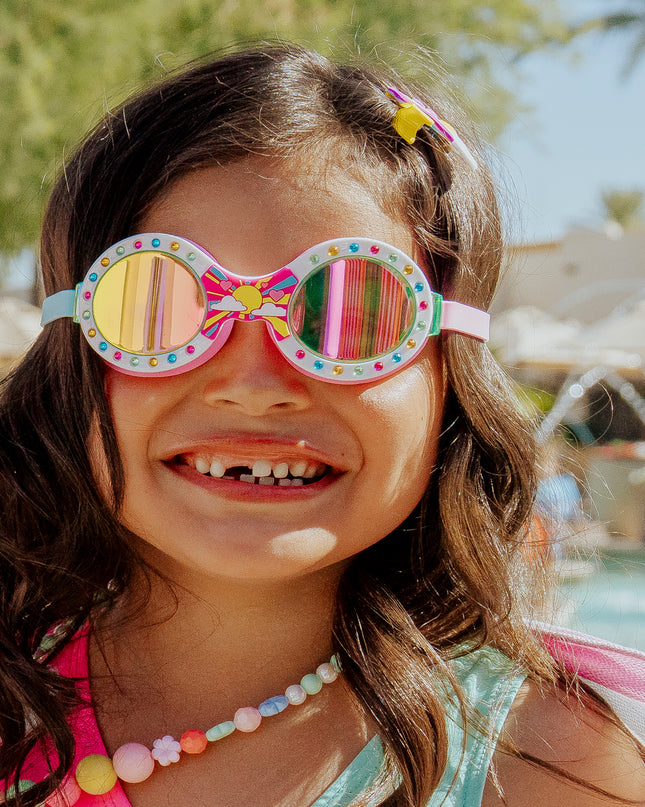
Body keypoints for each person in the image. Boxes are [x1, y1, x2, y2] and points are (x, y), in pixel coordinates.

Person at [0, 44, 643, 807]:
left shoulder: (543, 763)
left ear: (451, 383)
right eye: (158, 308)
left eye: (350, 316)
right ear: (65, 363)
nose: (254, 386)